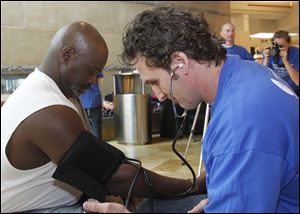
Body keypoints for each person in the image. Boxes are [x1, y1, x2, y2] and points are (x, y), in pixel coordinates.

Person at [83, 7, 299, 213]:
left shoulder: (239, 126)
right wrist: (225, 197)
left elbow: (245, 145)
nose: (159, 95)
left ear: (180, 63)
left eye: (155, 81)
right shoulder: (248, 71)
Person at [1, 21, 205, 213]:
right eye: (91, 71)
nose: (92, 80)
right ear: (67, 55)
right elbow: (114, 176)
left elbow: (101, 160)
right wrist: (191, 186)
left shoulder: (50, 90)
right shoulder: (48, 111)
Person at [262, 30, 299, 95]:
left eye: (281, 46)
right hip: (277, 88)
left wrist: (285, 61)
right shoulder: (271, 52)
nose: (278, 49)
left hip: (293, 90)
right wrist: (266, 59)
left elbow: (297, 81)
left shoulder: (296, 53)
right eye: (276, 46)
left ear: (289, 43)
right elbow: (263, 76)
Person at [79, 72, 104, 140]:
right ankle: (98, 148)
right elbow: (100, 82)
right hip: (94, 99)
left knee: (84, 128)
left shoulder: (78, 65)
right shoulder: (95, 65)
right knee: (96, 127)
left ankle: (89, 147)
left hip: (83, 100)